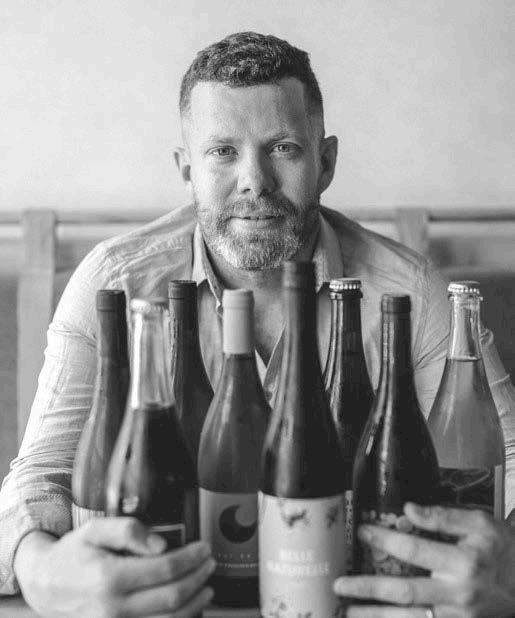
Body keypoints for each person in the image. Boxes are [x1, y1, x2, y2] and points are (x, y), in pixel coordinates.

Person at [1, 31, 514, 617]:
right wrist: (40, 571)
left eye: (284, 148)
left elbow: (508, 458)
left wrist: (508, 561)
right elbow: (37, 475)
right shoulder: (112, 283)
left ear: (326, 162)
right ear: (186, 168)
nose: (254, 181)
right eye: (223, 151)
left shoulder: (412, 291)